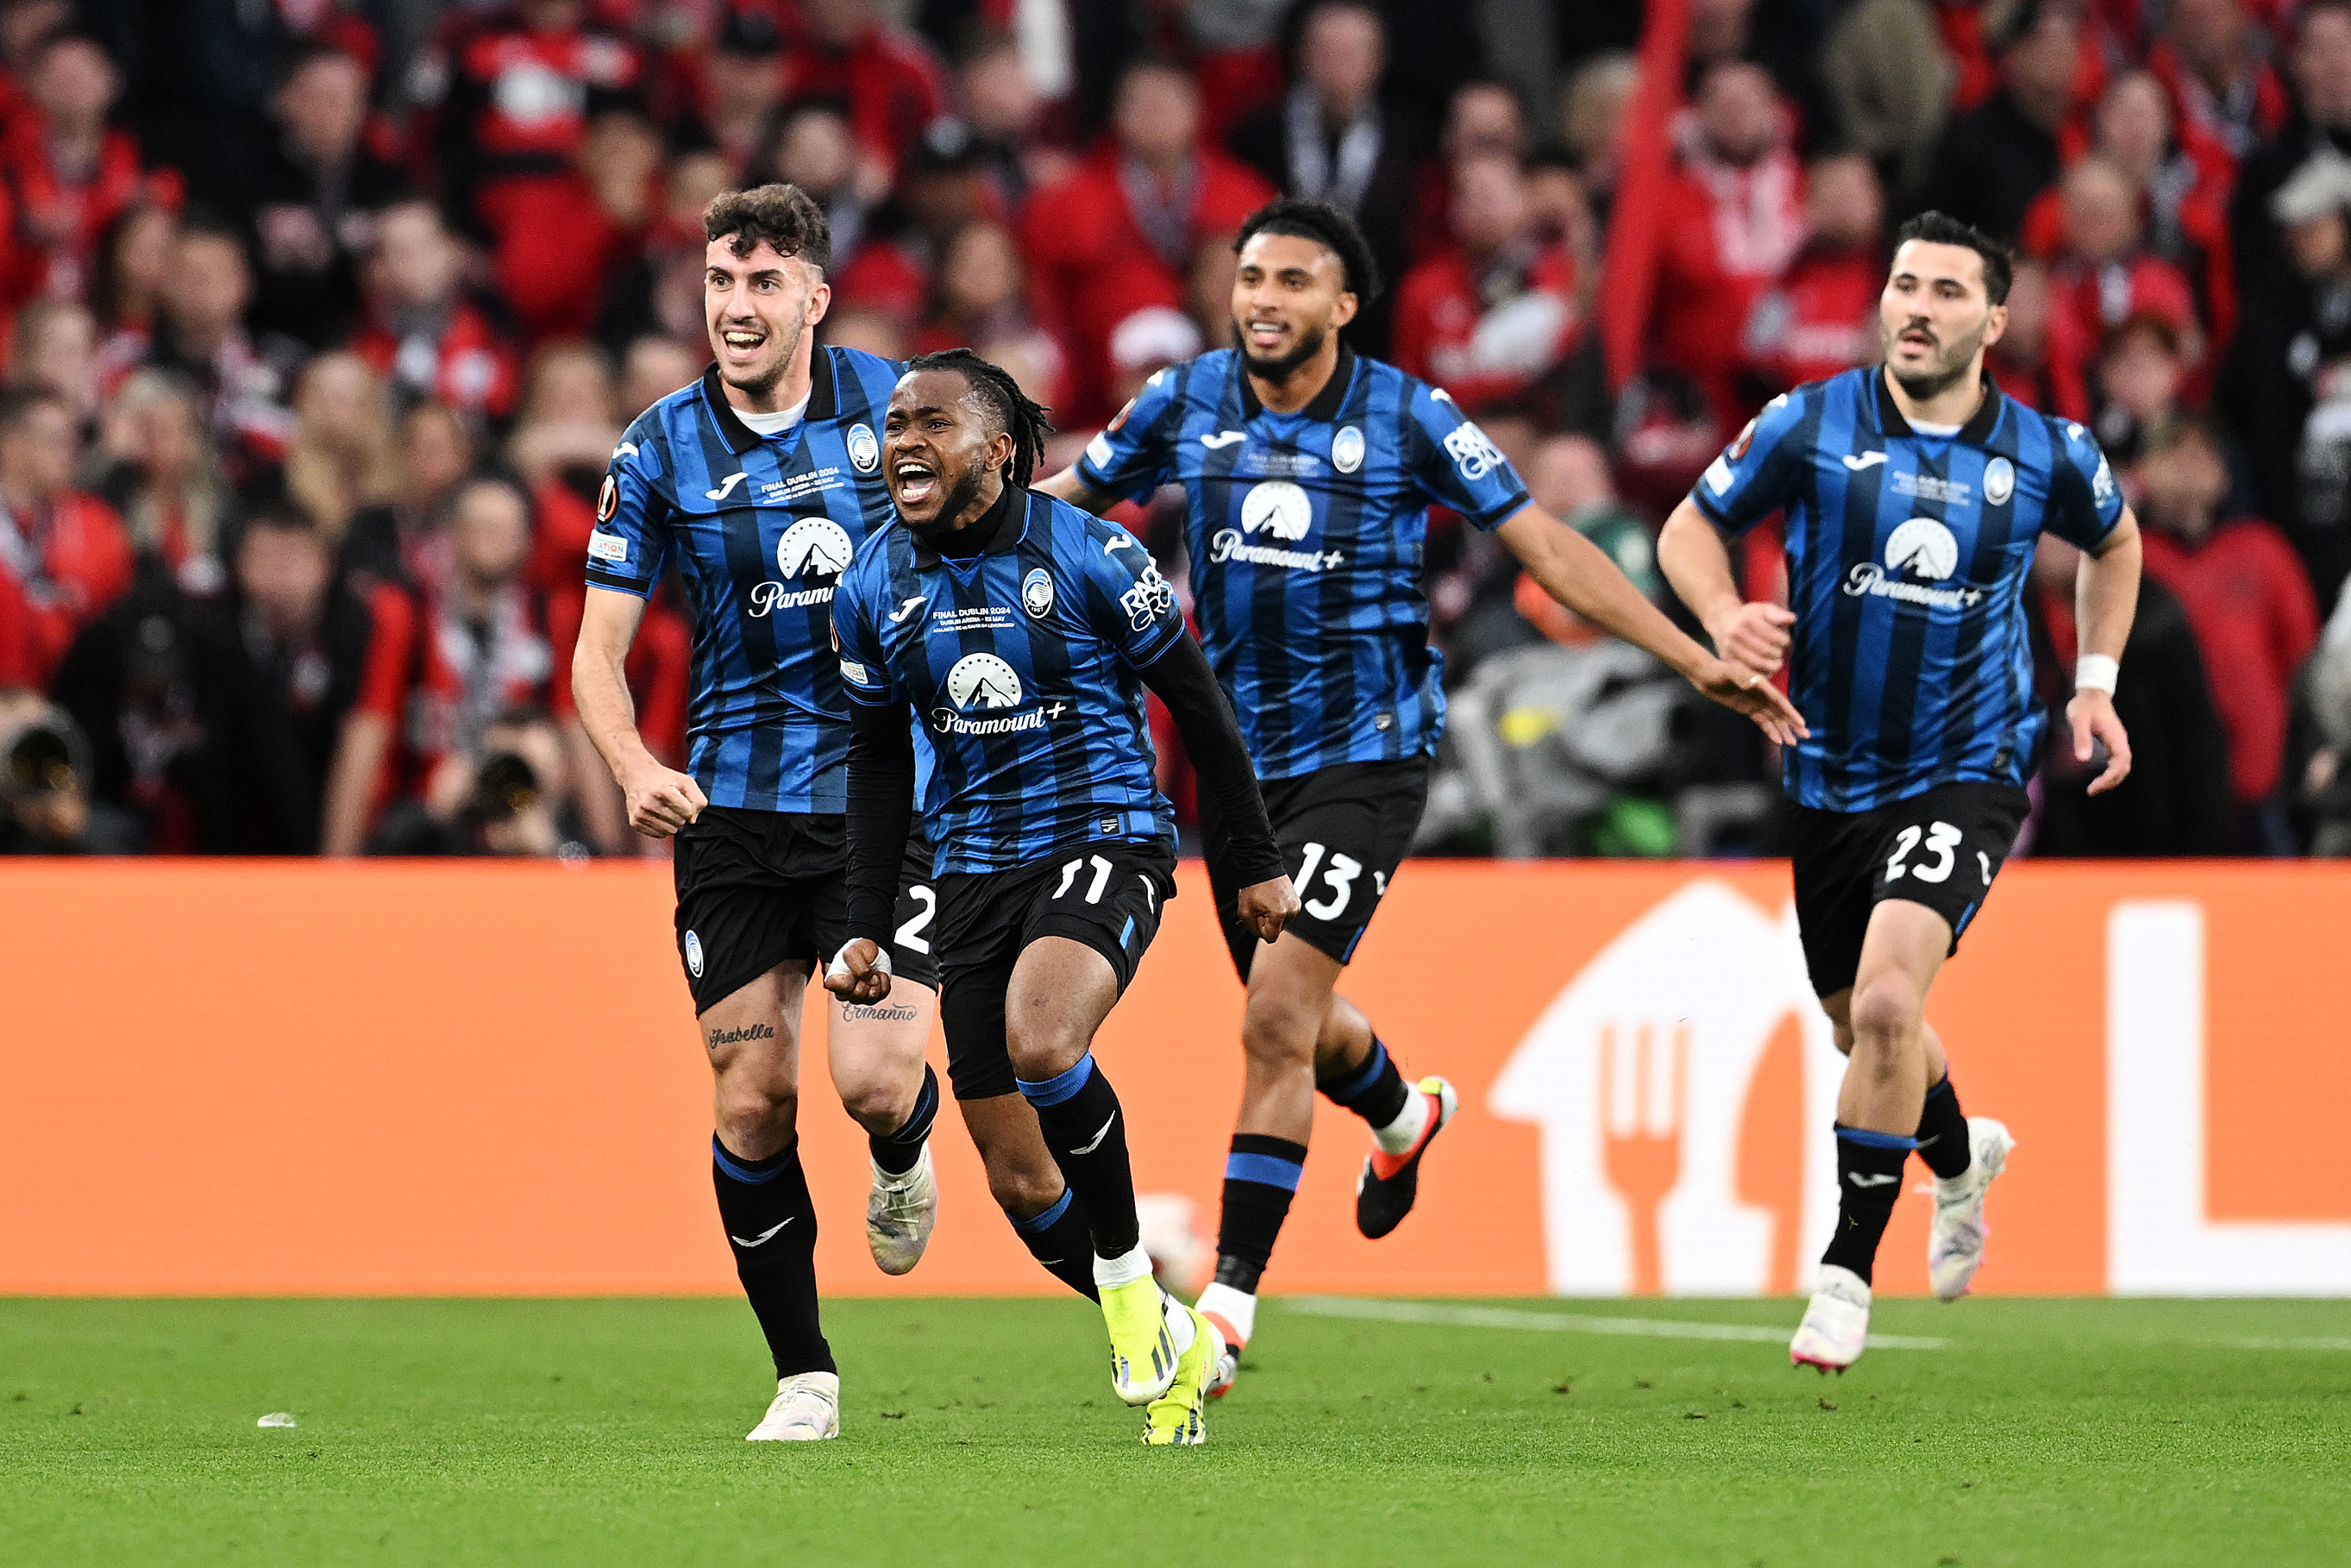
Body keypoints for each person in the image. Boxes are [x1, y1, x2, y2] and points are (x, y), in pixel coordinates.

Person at [1036, 198, 1803, 1396]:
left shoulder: (1406, 416)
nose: (1263, 299)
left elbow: (1545, 545)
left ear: (1343, 305)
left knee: (1275, 1017)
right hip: (1235, 766)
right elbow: (1055, 504)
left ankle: (1226, 1313)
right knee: (1304, 1018)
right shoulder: (1183, 403)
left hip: (1368, 758)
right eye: (1249, 277)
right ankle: (1401, 1112)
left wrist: (1690, 647)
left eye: (1293, 280)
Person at [1656, 210, 2144, 1370]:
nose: (1914, 307)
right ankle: (1959, 1153)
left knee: (1883, 1005)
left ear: (1993, 319)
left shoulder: (2046, 451)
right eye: (1901, 285)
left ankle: (1843, 1271)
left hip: (1968, 766)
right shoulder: (1810, 421)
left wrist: (2094, 682)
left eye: (1942, 290)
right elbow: (1688, 525)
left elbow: (2114, 545)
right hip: (1828, 774)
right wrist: (1725, 616)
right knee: (1861, 1027)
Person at [825, 348, 1300, 1446]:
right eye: (892, 422)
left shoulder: (1093, 554)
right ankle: (1173, 1343)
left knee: (1044, 1042)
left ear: (996, 450)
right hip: (967, 872)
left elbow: (1201, 710)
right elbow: (875, 763)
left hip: (1105, 839)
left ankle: (1132, 1294)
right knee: (1017, 1178)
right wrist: (862, 928)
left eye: (929, 422)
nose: (901, 439)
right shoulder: (868, 583)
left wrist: (1254, 861)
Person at [569, 184, 943, 1444]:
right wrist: (630, 765)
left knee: (875, 1077)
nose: (737, 306)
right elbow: (594, 652)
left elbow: (983, 549)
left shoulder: (894, 411)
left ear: (813, 301)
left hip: (873, 807)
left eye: (764, 284)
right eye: (721, 283)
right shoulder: (657, 447)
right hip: (726, 812)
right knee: (750, 1100)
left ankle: (904, 1149)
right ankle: (804, 1377)